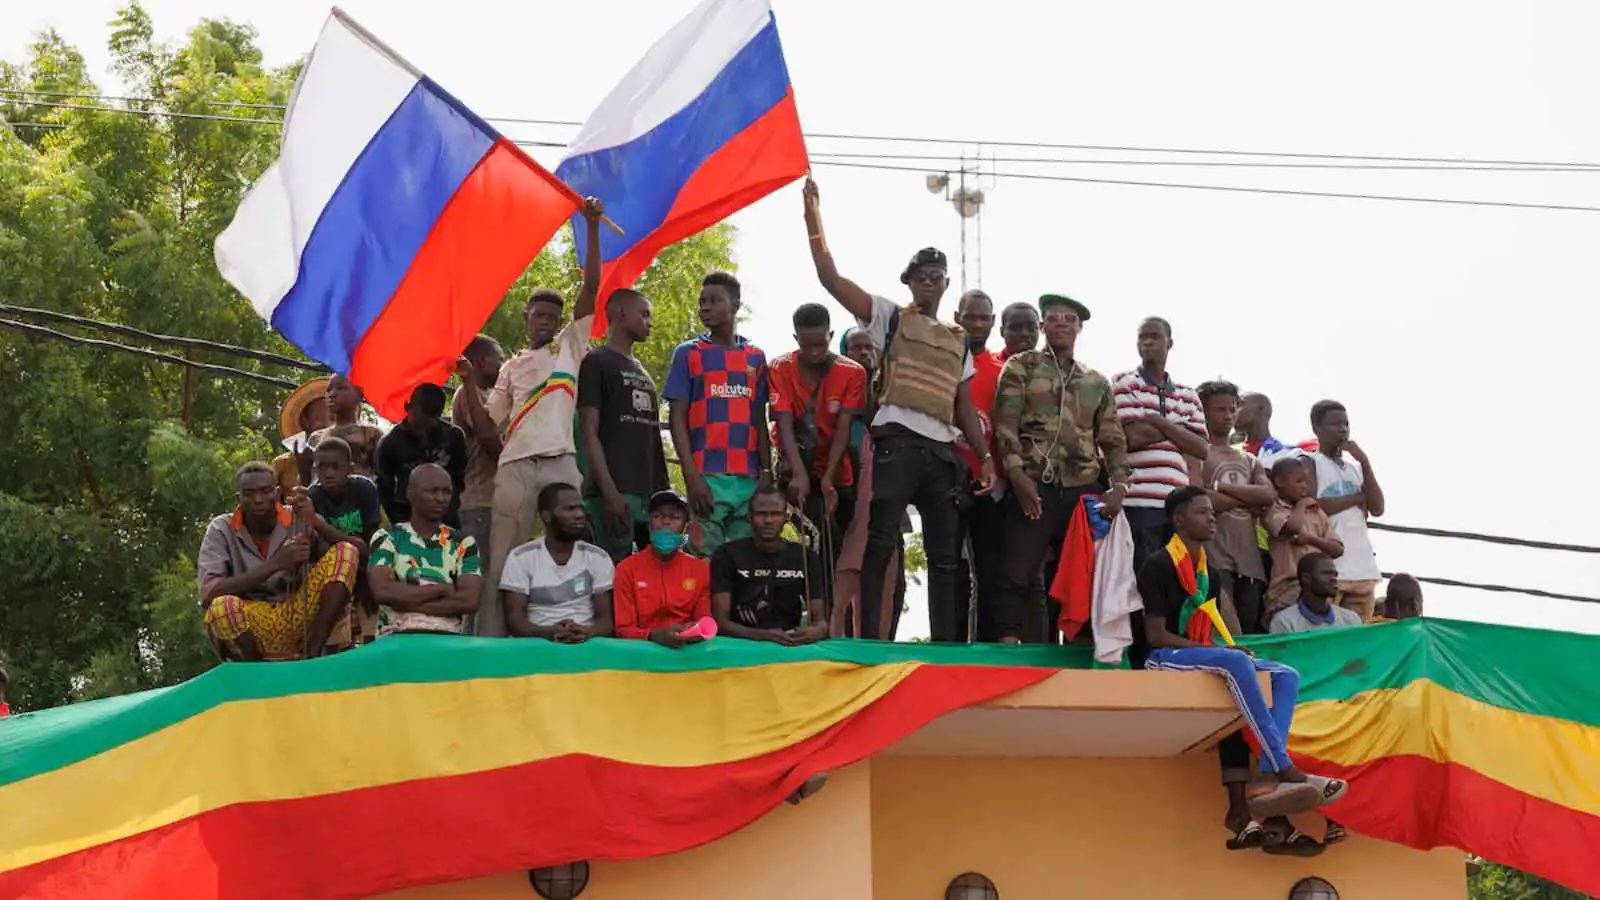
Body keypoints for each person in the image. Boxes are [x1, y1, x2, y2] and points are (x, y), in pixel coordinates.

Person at [802, 177, 996, 642]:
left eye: (937, 276)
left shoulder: (957, 340)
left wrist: (986, 457)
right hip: (898, 444)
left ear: (946, 282)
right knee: (882, 542)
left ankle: (946, 644)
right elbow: (831, 278)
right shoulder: (891, 316)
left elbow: (964, 407)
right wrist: (813, 218)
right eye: (922, 276)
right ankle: (872, 639)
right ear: (908, 281)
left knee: (945, 553)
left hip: (941, 452)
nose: (930, 282)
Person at [1137, 486, 1347, 854]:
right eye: (1203, 512)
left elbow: (1210, 634)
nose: (1212, 517)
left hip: (1196, 653)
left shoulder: (1211, 575)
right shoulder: (1158, 565)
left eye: (1211, 511)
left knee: (1284, 675)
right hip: (1160, 657)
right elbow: (1155, 636)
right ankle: (1283, 767)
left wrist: (1226, 650)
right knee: (1234, 661)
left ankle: (1266, 774)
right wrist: (1221, 653)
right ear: (1179, 521)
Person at [483, 198, 606, 636]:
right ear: (526, 316)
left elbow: (591, 289)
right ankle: (493, 645)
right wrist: (462, 379)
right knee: (503, 558)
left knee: (574, 551)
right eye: (539, 316)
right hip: (515, 466)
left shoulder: (569, 348)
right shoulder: (511, 367)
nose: (546, 322)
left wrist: (590, 227)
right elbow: (486, 424)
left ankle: (582, 632)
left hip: (560, 460)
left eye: (553, 317)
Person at [991, 294, 1130, 644]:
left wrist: (1119, 486)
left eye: (1070, 319)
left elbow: (1112, 438)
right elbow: (1004, 425)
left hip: (1082, 489)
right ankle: (1008, 649)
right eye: (1054, 318)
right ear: (1043, 326)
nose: (1062, 324)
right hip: (1035, 483)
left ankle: (1078, 652)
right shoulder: (1021, 367)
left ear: (1079, 328)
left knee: (1080, 574)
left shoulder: (1096, 381)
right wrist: (1017, 476)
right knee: (1018, 570)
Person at [197, 462, 359, 661]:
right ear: (238, 498)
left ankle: (312, 651)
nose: (258, 500)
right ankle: (256, 669)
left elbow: (345, 559)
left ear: (277, 492)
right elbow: (208, 593)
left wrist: (315, 522)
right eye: (249, 494)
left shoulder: (299, 516)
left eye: (265, 492)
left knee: (346, 551)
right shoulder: (220, 529)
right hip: (251, 623)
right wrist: (275, 563)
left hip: (298, 615)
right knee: (221, 607)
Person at [665, 272, 772, 558]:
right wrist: (691, 476)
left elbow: (759, 419)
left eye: (714, 301)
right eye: (702, 302)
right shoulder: (688, 353)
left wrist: (766, 472)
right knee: (704, 558)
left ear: (735, 305)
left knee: (745, 561)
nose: (705, 308)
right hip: (707, 477)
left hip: (748, 478)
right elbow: (677, 418)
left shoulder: (755, 356)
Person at [769, 302, 867, 584]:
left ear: (831, 335)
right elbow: (783, 425)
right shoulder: (779, 368)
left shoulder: (852, 372)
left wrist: (827, 480)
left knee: (840, 546)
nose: (814, 353)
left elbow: (844, 429)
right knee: (822, 536)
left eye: (821, 344)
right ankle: (820, 612)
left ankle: (834, 614)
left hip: (838, 473)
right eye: (807, 345)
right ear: (796, 338)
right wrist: (800, 475)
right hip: (798, 469)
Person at [579, 288, 670, 563]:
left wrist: (663, 492)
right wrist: (609, 493)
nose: (650, 322)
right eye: (644, 314)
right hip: (615, 494)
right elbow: (588, 431)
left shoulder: (641, 370)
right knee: (608, 573)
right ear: (621, 314)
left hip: (648, 494)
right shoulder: (597, 361)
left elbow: (651, 437)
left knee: (650, 574)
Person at [829, 327, 909, 638]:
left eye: (869, 347)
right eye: (856, 347)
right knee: (842, 586)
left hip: (887, 509)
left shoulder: (891, 394)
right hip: (845, 508)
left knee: (889, 587)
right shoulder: (834, 393)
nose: (864, 352)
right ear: (843, 352)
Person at [1113, 317, 1210, 568]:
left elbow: (1201, 448)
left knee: (1179, 581)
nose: (1147, 342)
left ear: (1170, 343)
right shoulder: (1125, 383)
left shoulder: (1189, 394)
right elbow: (1131, 438)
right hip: (1139, 501)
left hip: (1178, 507)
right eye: (1142, 337)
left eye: (1154, 337)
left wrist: (1159, 422)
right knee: (1143, 579)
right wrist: (1180, 428)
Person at [1196, 381, 1275, 634]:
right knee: (1223, 631)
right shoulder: (1198, 452)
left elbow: (1267, 495)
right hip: (1214, 557)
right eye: (1220, 409)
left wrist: (1218, 487)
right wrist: (1247, 500)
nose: (1228, 416)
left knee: (1249, 629)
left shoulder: (1250, 460)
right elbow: (1202, 501)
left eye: (1232, 409)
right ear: (1204, 411)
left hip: (1250, 561)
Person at [368, 463, 482, 636]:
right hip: (396, 635)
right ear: (410, 494)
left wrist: (404, 600)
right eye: (432, 491)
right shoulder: (388, 537)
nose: (440, 498)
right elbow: (382, 591)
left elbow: (469, 601)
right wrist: (441, 590)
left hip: (448, 638)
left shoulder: (463, 543)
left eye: (447, 492)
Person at [711, 485, 829, 644]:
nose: (768, 520)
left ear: (786, 518)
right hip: (740, 645)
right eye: (761, 514)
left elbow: (820, 622)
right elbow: (721, 623)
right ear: (749, 517)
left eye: (775, 514)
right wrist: (763, 636)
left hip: (789, 643)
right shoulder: (726, 555)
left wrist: (816, 631)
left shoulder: (806, 557)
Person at [501, 482, 615, 642]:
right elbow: (515, 622)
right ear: (546, 516)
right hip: (539, 645)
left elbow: (606, 622)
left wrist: (585, 632)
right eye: (570, 509)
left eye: (580, 508)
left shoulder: (598, 557)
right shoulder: (521, 557)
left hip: (588, 644)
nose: (579, 514)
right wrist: (550, 632)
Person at [1308, 400, 1385, 621]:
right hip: (1330, 571)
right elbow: (1314, 505)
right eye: (1335, 423)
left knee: (1356, 641)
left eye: (1346, 424)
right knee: (1325, 632)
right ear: (1317, 428)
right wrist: (1356, 498)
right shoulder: (1311, 462)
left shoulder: (1356, 469)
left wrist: (1364, 461)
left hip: (1363, 571)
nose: (1343, 429)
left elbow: (1377, 508)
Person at [303, 436, 383, 647]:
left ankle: (372, 642)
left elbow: (368, 548)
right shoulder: (313, 496)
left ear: (350, 467)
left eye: (335, 467)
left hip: (367, 569)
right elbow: (320, 553)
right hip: (334, 575)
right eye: (322, 467)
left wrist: (321, 525)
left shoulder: (364, 489)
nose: (329, 473)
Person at [612, 490, 713, 647]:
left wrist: (692, 630)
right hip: (642, 652)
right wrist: (653, 635)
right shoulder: (626, 569)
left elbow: (704, 621)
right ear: (649, 524)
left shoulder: (699, 570)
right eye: (658, 516)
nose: (666, 522)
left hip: (686, 651)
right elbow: (623, 629)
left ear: (685, 527)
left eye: (674, 517)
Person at [452, 334, 505, 625]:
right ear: (482, 362)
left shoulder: (494, 397)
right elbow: (491, 443)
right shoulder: (469, 395)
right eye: (500, 358)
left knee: (493, 582)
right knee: (479, 583)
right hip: (478, 503)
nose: (504, 364)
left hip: (493, 502)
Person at [1262, 457, 1345, 624]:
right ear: (1279, 481)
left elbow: (1337, 549)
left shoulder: (1316, 512)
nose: (1304, 486)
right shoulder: (1273, 509)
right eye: (1299, 481)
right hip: (1285, 592)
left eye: (1306, 482)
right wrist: (1301, 505)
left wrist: (1312, 539)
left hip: (1316, 591)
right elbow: (1291, 527)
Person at [376, 383, 468, 527]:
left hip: (446, 519)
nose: (422, 433)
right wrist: (397, 519)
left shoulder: (453, 437)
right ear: (408, 407)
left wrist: (448, 508)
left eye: (428, 427)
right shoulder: (391, 442)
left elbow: (459, 478)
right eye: (418, 426)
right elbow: (384, 485)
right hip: (405, 516)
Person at [1269, 553, 1364, 633]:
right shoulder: (1284, 622)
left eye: (1335, 575)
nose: (1333, 579)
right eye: (1326, 573)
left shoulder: (1351, 620)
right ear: (1306, 578)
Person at [314, 374, 386, 478]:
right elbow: (311, 483)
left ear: (359, 395)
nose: (332, 394)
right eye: (328, 390)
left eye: (341, 388)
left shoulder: (371, 434)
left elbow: (382, 476)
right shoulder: (316, 438)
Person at [272, 377, 331, 498]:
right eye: (320, 421)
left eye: (333, 420)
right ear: (305, 422)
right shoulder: (283, 464)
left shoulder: (349, 461)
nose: (328, 428)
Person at [1236, 392, 1318, 469]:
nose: (1233, 412)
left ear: (1261, 408)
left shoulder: (1290, 455)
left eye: (1239, 405)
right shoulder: (1230, 452)